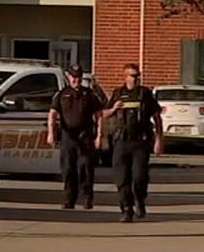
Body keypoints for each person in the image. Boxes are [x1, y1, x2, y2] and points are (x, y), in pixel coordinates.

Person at [102, 63, 163, 222]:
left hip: (140, 142)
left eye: (138, 76)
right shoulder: (118, 93)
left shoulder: (145, 94)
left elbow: (157, 117)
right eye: (133, 76)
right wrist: (114, 109)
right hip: (121, 141)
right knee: (121, 178)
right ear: (125, 76)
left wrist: (159, 140)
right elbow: (104, 114)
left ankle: (140, 200)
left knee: (139, 177)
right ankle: (126, 209)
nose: (136, 79)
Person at [47, 64, 104, 209]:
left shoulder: (89, 94)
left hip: (85, 137)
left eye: (78, 77)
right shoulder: (62, 94)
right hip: (68, 137)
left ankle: (87, 198)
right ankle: (69, 199)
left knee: (85, 168)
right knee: (68, 169)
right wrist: (51, 133)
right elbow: (53, 114)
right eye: (73, 77)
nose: (76, 80)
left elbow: (99, 116)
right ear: (68, 77)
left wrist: (99, 136)